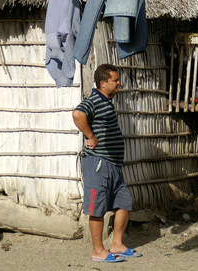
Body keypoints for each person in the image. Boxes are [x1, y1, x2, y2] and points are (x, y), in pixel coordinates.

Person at [72, 64, 142, 263]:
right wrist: (90, 136)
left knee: (125, 201)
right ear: (103, 83)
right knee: (97, 207)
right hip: (97, 164)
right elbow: (78, 114)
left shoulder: (106, 102)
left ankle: (117, 244)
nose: (119, 83)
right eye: (115, 80)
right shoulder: (94, 100)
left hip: (112, 164)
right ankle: (98, 251)